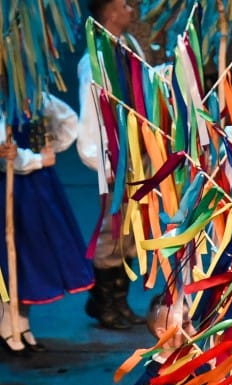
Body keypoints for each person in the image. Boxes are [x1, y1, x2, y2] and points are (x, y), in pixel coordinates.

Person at [0, 96, 93, 354]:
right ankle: (7, 324)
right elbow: (4, 152)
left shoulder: (32, 95)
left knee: (31, 254)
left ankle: (21, 323)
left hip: (35, 186)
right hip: (10, 184)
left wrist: (46, 148)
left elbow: (66, 119)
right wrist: (34, 159)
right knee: (11, 256)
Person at [77, 0, 145, 330]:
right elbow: (91, 112)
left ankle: (120, 300)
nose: (131, 9)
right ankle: (103, 302)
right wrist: (101, 159)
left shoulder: (127, 45)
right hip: (114, 155)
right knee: (113, 228)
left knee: (131, 227)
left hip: (136, 151)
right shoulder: (95, 58)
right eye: (124, 4)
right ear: (109, 12)